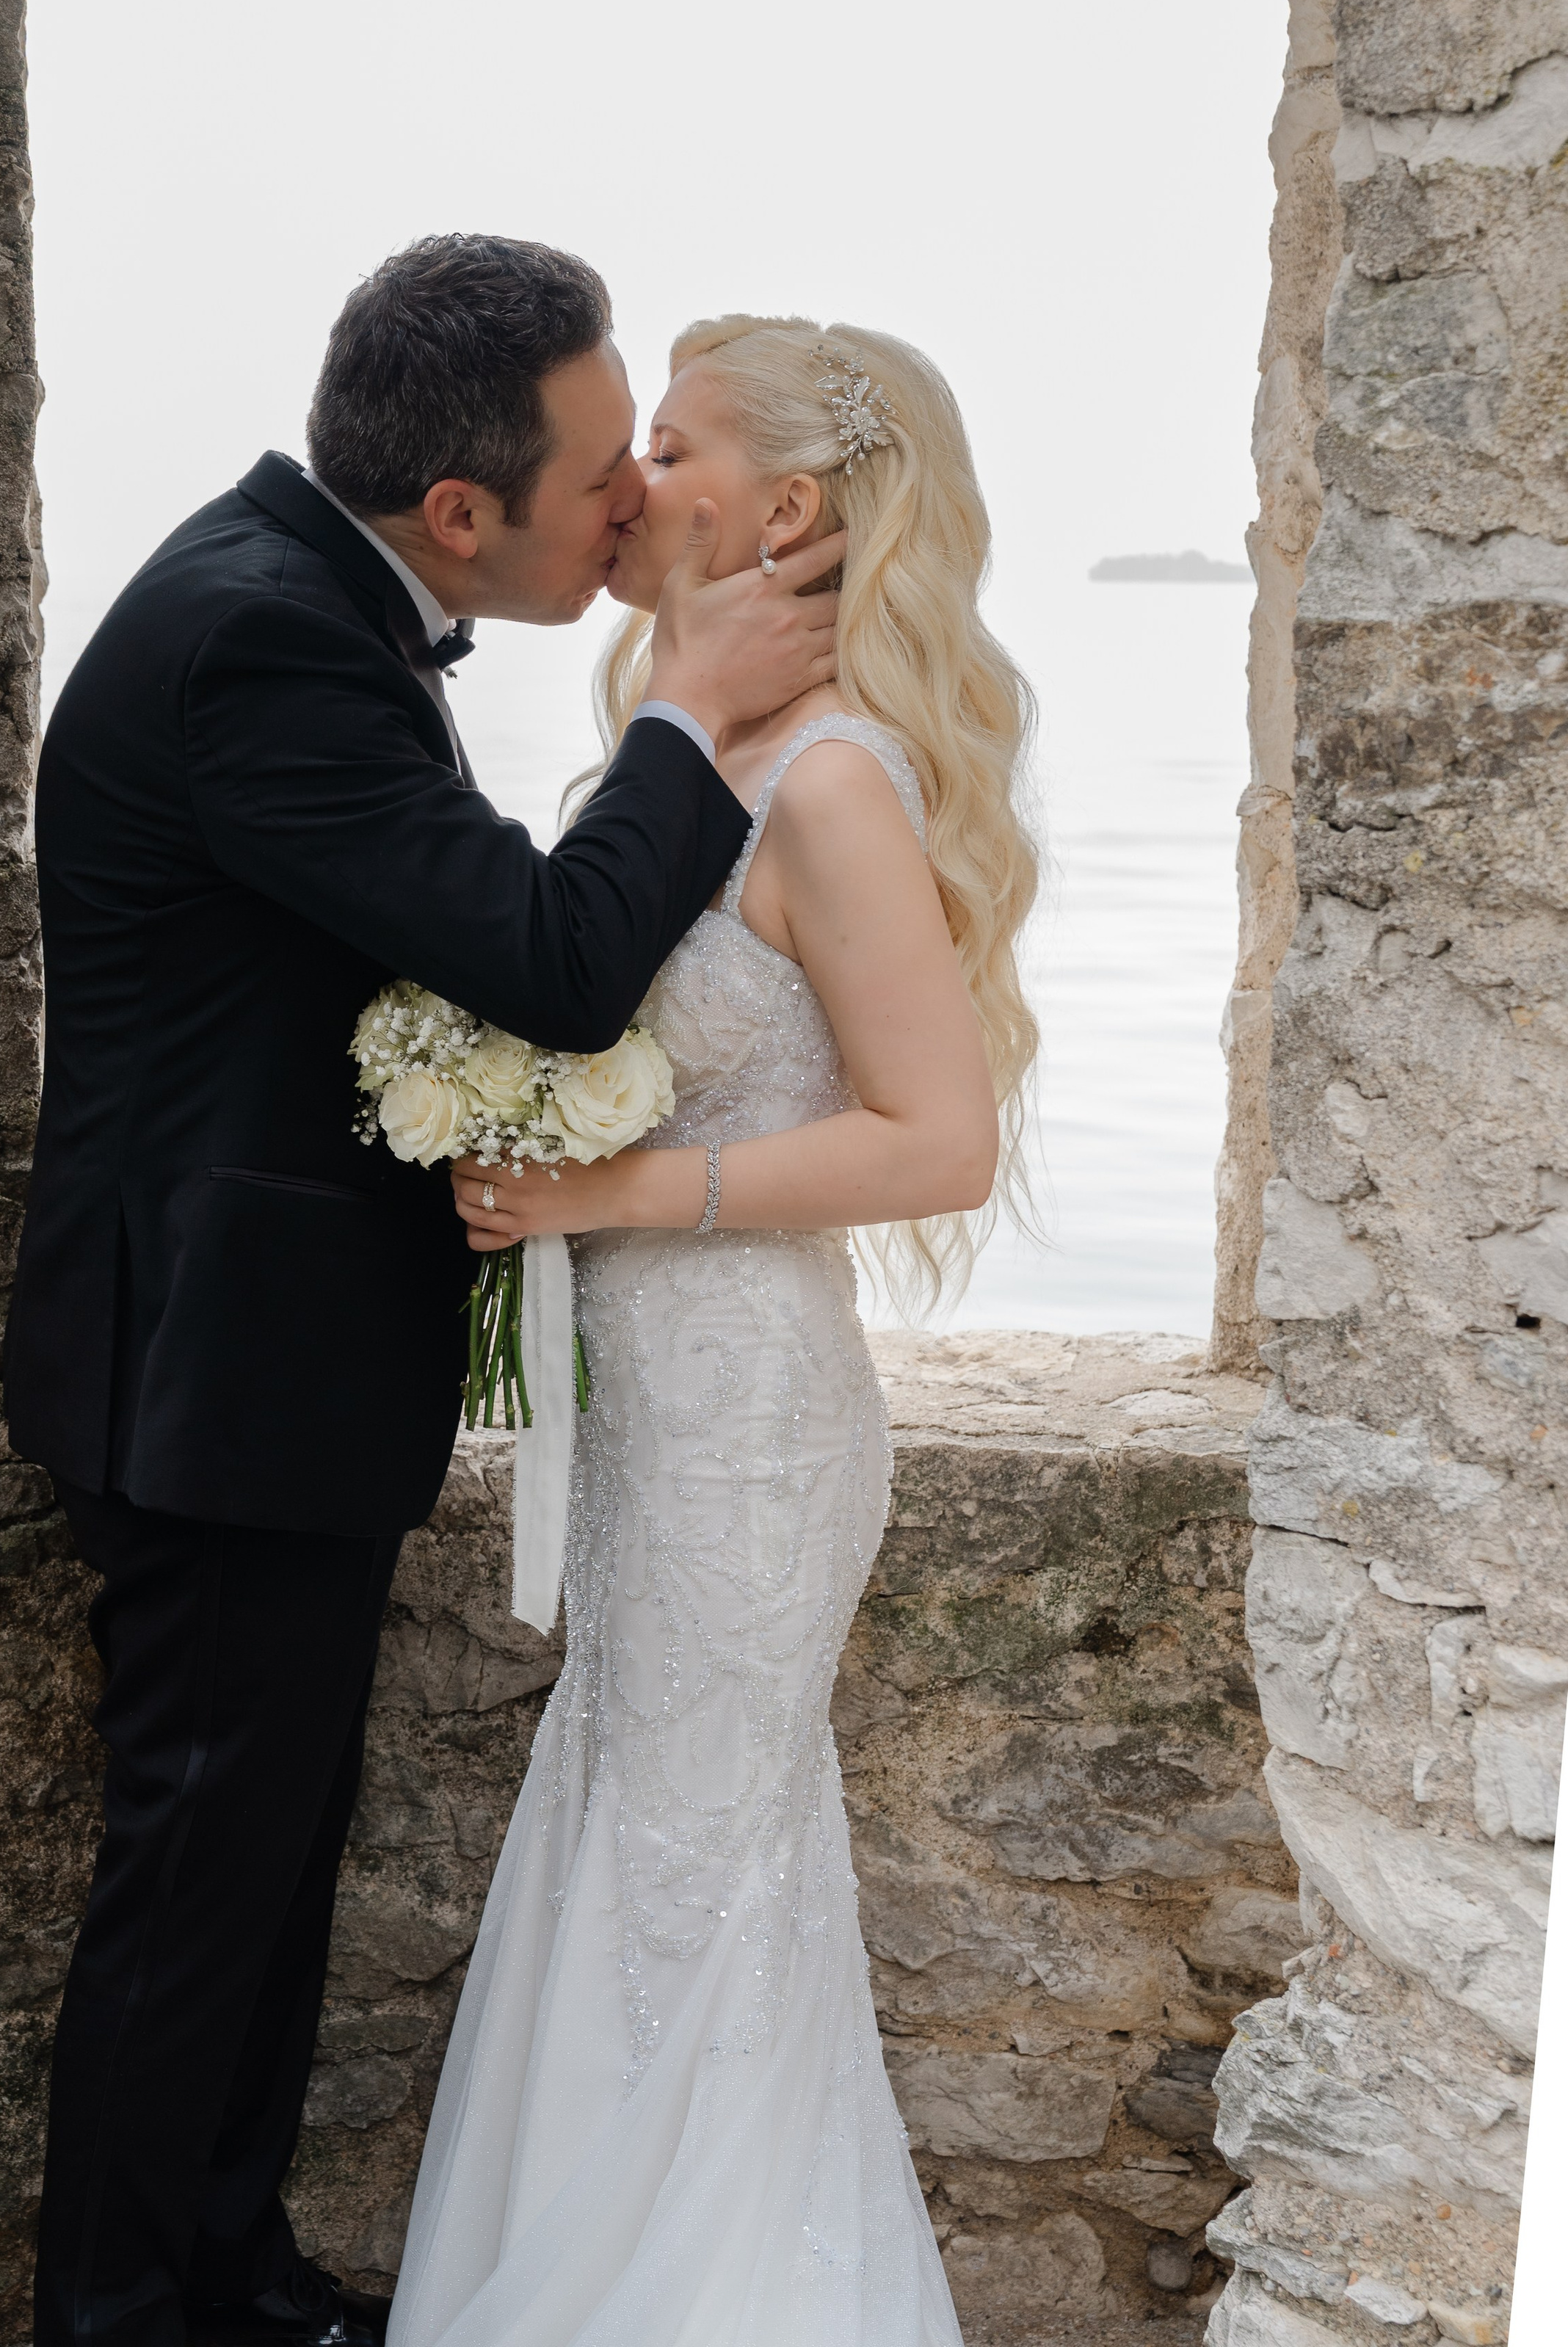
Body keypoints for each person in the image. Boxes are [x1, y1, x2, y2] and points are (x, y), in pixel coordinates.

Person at [3, 242, 847, 2347]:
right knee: (200, 1891)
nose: (631, 513)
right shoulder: (261, 644)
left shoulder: (309, 606)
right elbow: (553, 958)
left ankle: (235, 2282)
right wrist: (689, 713)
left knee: (264, 1872)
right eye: (599, 477)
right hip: (207, 1381)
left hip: (262, 1375)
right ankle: (125, 2317)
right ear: (460, 512)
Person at [391, 314, 1039, 2347]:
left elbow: (940, 1141)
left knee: (695, 1869)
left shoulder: (835, 783)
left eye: (668, 445)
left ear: (790, 510)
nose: (628, 477)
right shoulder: (697, 760)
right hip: (654, 1409)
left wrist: (618, 1190)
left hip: (752, 1421)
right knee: (640, 1844)